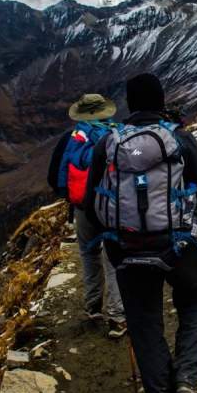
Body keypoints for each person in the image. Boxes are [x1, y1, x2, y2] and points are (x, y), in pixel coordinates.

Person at [84, 74, 197, 393]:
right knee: (194, 303)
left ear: (130, 105)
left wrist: (113, 243)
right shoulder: (180, 140)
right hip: (177, 246)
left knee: (146, 330)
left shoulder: (108, 143)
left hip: (127, 251)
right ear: (162, 101)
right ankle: (187, 376)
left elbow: (89, 203)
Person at [47, 93, 127, 339]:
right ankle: (117, 316)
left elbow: (54, 176)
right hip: (113, 208)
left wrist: (72, 198)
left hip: (83, 208)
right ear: (107, 112)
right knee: (113, 257)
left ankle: (93, 307)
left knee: (88, 253)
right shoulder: (120, 135)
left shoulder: (70, 139)